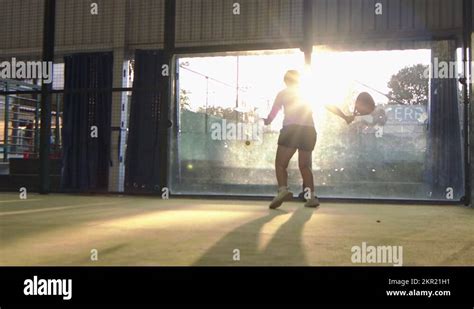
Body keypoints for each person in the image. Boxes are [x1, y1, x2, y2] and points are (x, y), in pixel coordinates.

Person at [264, 70, 319, 209]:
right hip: (309, 130)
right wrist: (344, 116)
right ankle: (311, 196)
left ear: (286, 81)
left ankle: (283, 190)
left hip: (291, 129)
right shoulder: (308, 92)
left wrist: (267, 121)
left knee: (281, 164)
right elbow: (327, 105)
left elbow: (273, 114)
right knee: (305, 166)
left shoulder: (283, 94)